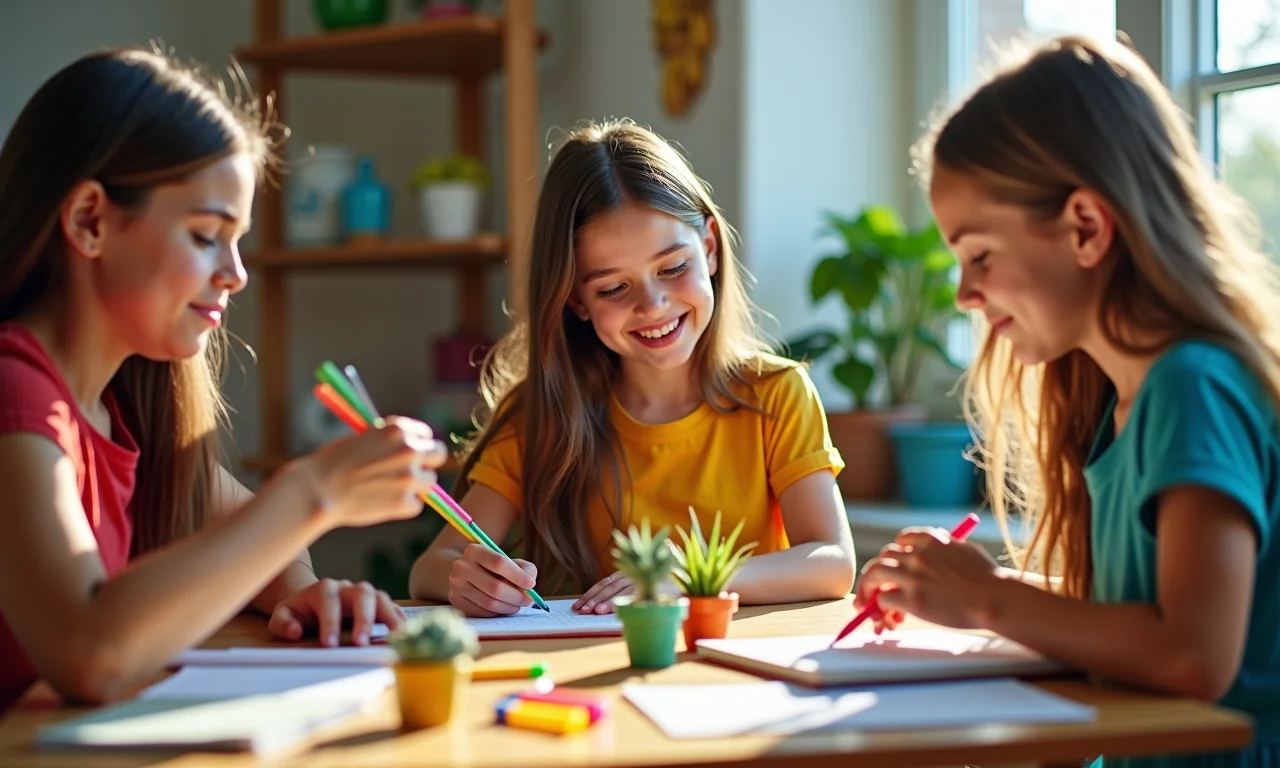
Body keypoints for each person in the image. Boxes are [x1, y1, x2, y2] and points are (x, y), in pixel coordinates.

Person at [854, 36, 1280, 766]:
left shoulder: (1193, 388)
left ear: (1086, 227)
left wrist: (988, 598)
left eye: (979, 256)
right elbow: (1136, 610)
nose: (965, 294)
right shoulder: (1118, 399)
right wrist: (960, 588)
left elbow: (1192, 654)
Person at [0, 47, 447, 711]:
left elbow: (259, 546)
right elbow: (88, 653)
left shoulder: (122, 407)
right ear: (90, 220)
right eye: (207, 235)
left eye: (238, 240)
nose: (236, 274)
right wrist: (314, 491)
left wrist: (300, 593)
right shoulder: (16, 392)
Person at [409, 120, 856, 616]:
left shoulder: (777, 393)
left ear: (709, 248)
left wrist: (687, 576)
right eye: (613, 288)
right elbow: (431, 566)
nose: (653, 304)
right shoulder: (542, 413)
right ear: (576, 300)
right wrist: (469, 580)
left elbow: (832, 563)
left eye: (672, 268)